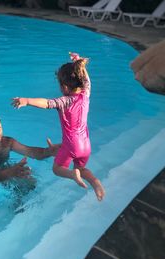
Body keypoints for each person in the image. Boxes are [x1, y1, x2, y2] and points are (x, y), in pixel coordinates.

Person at [11, 52, 105, 201]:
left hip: (72, 145)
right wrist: (79, 62)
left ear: (65, 87)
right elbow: (87, 81)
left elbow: (47, 103)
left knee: (57, 169)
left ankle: (72, 175)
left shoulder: (65, 101)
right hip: (86, 145)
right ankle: (96, 183)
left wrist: (27, 100)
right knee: (81, 168)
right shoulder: (85, 94)